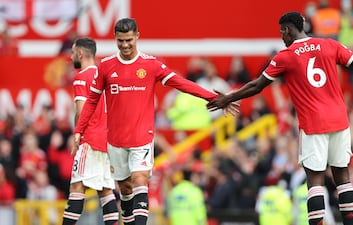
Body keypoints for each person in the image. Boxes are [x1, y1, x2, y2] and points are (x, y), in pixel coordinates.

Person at [207, 12, 353, 225]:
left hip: (313, 123)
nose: (281, 37)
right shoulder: (329, 45)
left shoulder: (285, 56)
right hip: (340, 121)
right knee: (342, 175)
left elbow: (257, 85)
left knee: (315, 180)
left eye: (281, 33)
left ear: (287, 30)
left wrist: (229, 98)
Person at [72, 18, 238, 225]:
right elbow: (91, 101)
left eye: (129, 40)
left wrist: (214, 98)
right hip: (115, 140)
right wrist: (79, 131)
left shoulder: (150, 65)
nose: (125, 45)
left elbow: (182, 83)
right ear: (115, 38)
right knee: (124, 190)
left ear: (137, 37)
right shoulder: (106, 66)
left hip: (142, 137)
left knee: (140, 179)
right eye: (121, 41)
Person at [62, 37, 119, 225]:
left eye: (72, 53)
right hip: (107, 140)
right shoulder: (105, 76)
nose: (71, 57)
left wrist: (77, 135)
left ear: (80, 53)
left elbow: (81, 110)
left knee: (77, 186)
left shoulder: (82, 77)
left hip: (90, 139)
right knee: (105, 189)